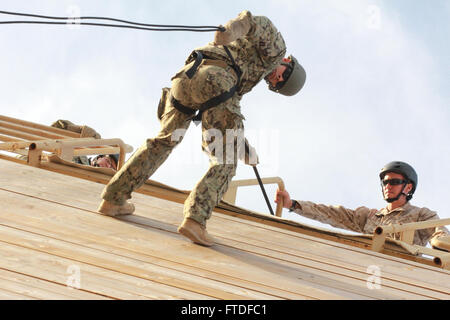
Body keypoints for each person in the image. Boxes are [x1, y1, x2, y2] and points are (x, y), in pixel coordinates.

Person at [97, 10, 307, 247]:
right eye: (282, 77)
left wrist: (243, 145)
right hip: (216, 81)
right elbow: (252, 23)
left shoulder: (249, 67)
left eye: (277, 85)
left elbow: (223, 113)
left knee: (163, 142)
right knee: (225, 161)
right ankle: (195, 220)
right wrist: (231, 31)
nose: (275, 80)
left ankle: (114, 198)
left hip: (187, 79)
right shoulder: (276, 51)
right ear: (288, 63)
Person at [275, 161, 449, 247]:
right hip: (364, 267)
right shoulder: (370, 216)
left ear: (408, 187)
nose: (388, 187)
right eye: (385, 183)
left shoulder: (421, 215)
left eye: (394, 182)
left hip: (403, 270)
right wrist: (293, 204)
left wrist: (442, 244)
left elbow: (440, 233)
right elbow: (333, 214)